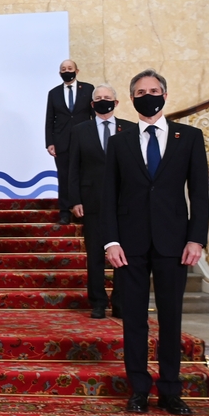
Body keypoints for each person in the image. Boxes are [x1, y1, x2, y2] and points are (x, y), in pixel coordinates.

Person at [102, 69, 208, 416]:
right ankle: (139, 389)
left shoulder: (189, 137)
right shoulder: (119, 141)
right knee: (134, 319)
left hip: (174, 243)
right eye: (142, 91)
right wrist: (110, 241)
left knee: (171, 319)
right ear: (132, 99)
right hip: (128, 245)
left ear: (165, 94)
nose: (149, 94)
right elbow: (108, 195)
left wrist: (196, 238)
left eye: (155, 89)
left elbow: (199, 194)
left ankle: (171, 390)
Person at [68, 84, 136, 319]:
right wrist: (75, 199)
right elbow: (73, 167)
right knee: (95, 255)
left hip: (124, 202)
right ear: (92, 103)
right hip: (92, 201)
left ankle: (120, 302)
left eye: (107, 98)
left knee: (124, 254)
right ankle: (98, 302)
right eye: (99, 98)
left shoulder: (129, 129)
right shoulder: (79, 130)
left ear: (116, 103)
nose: (103, 101)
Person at [45, 59, 94, 224]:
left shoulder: (88, 89)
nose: (67, 71)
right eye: (63, 69)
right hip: (62, 142)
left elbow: (94, 116)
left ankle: (82, 210)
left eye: (70, 68)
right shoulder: (54, 93)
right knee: (64, 177)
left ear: (77, 71)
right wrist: (49, 142)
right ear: (60, 73)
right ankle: (65, 212)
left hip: (84, 140)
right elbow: (49, 119)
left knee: (83, 175)